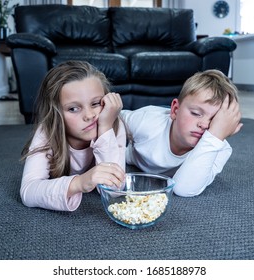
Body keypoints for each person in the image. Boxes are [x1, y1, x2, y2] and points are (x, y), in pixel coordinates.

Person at [20, 61, 126, 211]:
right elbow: (28, 192)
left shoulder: (112, 123)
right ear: (56, 114)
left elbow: (115, 189)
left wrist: (105, 128)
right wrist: (80, 182)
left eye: (96, 103)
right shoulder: (47, 131)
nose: (89, 115)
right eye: (74, 108)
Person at [121, 69, 242, 197]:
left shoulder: (219, 148)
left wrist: (214, 137)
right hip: (135, 148)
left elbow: (183, 189)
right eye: (196, 113)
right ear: (175, 110)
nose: (205, 125)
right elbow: (115, 116)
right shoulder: (146, 121)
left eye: (215, 120)